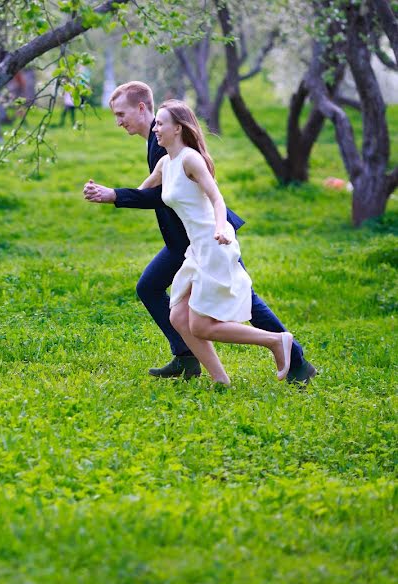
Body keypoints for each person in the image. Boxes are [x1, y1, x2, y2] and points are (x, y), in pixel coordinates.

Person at [83, 82, 316, 384]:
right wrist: (118, 194)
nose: (118, 121)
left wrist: (115, 195)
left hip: (208, 237)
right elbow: (154, 186)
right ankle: (187, 356)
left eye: (121, 113)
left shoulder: (166, 141)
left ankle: (293, 358)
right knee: (154, 290)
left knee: (245, 300)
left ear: (142, 108)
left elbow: (166, 194)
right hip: (188, 241)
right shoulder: (160, 147)